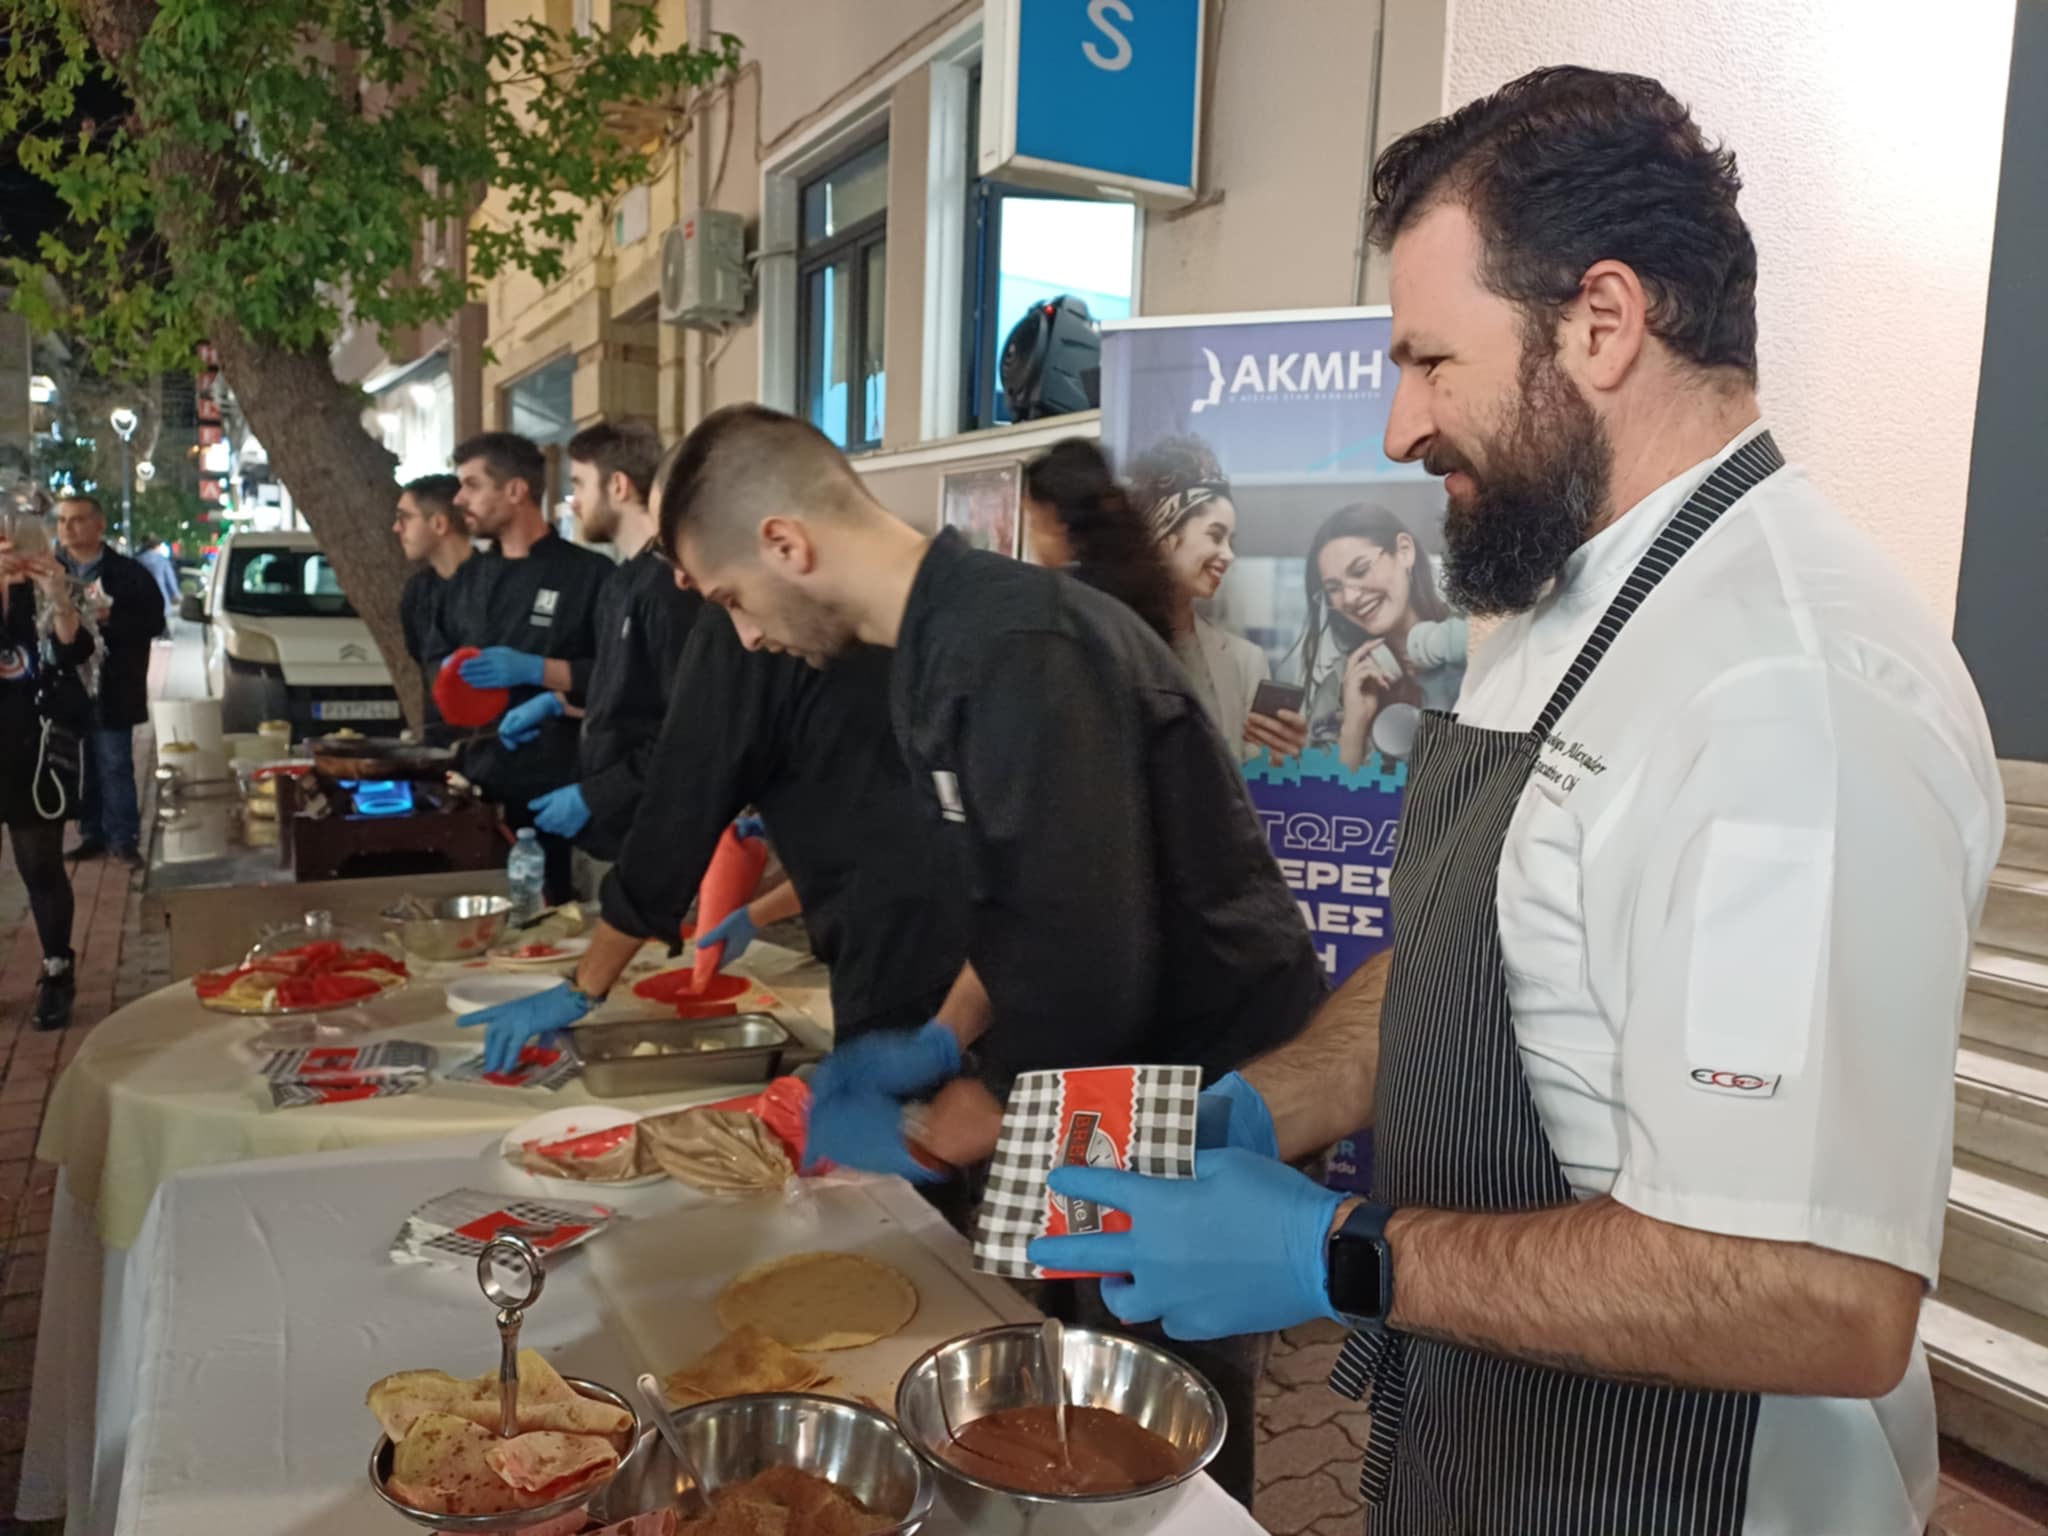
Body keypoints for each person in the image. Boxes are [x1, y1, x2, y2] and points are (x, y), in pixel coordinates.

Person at [1023, 66, 2003, 1536]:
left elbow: (1820, 1290)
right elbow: (1484, 947)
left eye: (1430, 360)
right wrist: (1266, 1111)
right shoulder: (1552, 606)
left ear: (1602, 325)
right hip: (1481, 1438)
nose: (1398, 427)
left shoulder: (1791, 697)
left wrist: (1344, 1260)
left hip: (1678, 1497)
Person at [657, 403, 1329, 1505]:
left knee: (1151, 1397)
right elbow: (1019, 892)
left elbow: (1096, 950)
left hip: (1196, 1074)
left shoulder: (1016, 648)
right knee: (1056, 1356)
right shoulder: (933, 648)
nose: (745, 637)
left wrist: (982, 1107)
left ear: (784, 543)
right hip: (1103, 1060)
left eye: (732, 599)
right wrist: (947, 1029)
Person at [500, 422, 701, 858]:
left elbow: (687, 730)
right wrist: (561, 705)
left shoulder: (671, 587)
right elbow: (630, 698)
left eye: (578, 483)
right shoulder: (619, 582)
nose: (572, 500)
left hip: (657, 834)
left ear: (618, 485)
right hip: (612, 831)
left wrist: (597, 795)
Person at [435, 432, 611, 902]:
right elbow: (446, 666)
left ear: (515, 491)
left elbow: (622, 680)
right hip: (481, 788)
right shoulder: (469, 579)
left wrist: (537, 670)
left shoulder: (590, 576)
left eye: (471, 485)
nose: (459, 499)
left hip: (561, 794)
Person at [1126, 437, 1308, 762]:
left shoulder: (1245, 661)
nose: (1228, 555)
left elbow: (1253, 776)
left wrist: (1281, 753)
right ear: (1164, 535)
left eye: (1231, 541)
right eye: (1215, 535)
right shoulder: (1106, 639)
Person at [1, 515, 98, 1030]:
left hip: (32, 750)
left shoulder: (54, 588)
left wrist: (58, 595)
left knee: (39, 864)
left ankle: (57, 969)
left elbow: (77, 652)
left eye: (17, 544)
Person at [1295, 503, 1468, 768]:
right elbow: (1327, 800)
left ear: (1404, 552)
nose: (1350, 598)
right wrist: (1354, 728)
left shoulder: (1472, 645)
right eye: (1333, 588)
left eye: (1360, 570)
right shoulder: (1340, 686)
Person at [55, 495, 164, 866]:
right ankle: (91, 832)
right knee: (80, 761)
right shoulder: (51, 572)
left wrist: (111, 617)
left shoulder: (128, 573)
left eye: (78, 520)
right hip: (65, 687)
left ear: (99, 525)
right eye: (62, 521)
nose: (68, 528)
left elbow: (153, 622)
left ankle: (123, 836)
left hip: (113, 685)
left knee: (114, 761)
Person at [1020, 439, 1176, 642]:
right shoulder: (1144, 578)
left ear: (1057, 523)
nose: (1031, 536)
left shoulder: (1064, 607)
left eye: (1034, 521)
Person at [135, 538, 181, 622]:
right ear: (157, 547)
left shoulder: (139, 559)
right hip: (160, 594)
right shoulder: (163, 560)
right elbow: (170, 579)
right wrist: (176, 594)